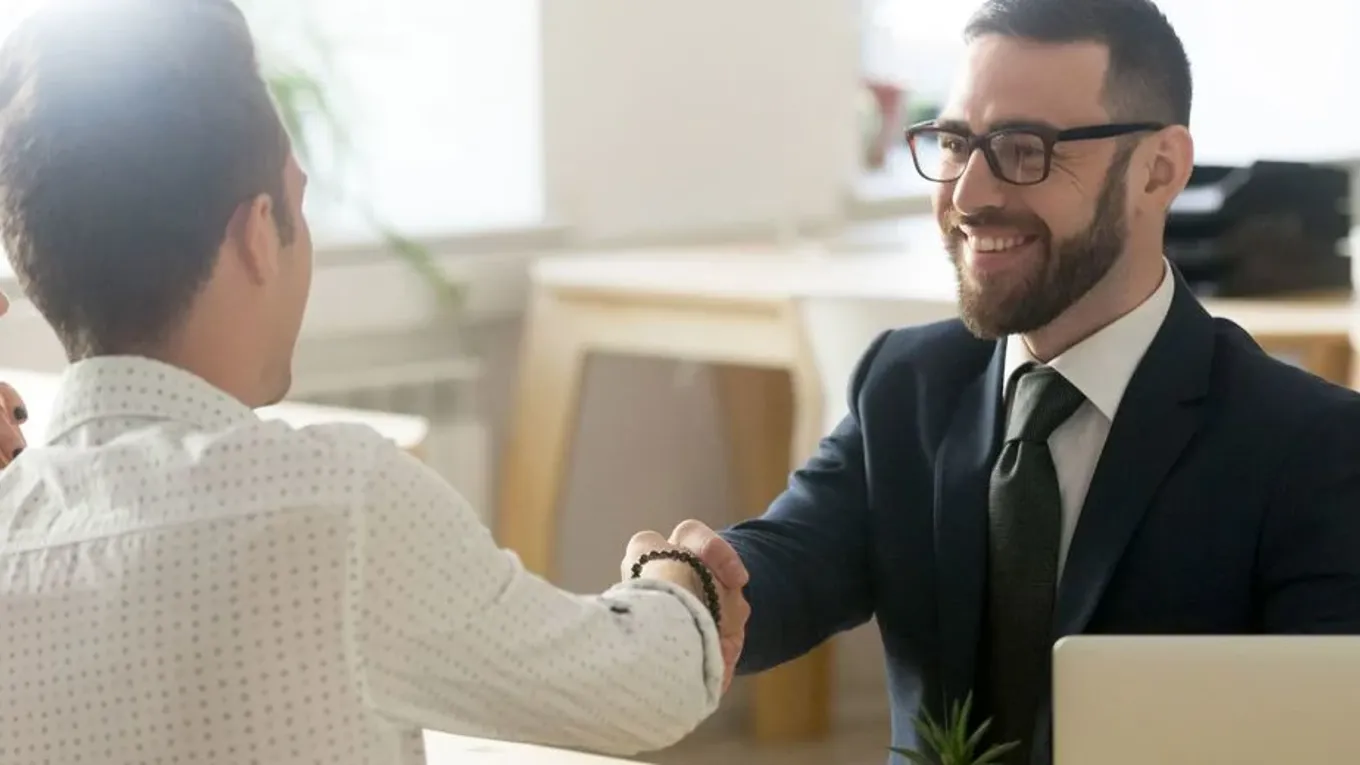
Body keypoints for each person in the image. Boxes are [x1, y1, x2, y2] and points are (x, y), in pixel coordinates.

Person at [0, 1, 747, 763]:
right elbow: (643, 686)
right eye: (299, 205)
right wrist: (674, 574)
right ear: (258, 233)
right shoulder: (335, 503)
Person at [643, 1, 1360, 764]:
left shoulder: (1309, 446)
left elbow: (1326, 733)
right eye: (956, 143)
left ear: (1158, 169)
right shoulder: (907, 384)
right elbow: (789, 564)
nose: (968, 195)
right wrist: (691, 588)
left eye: (1025, 149)